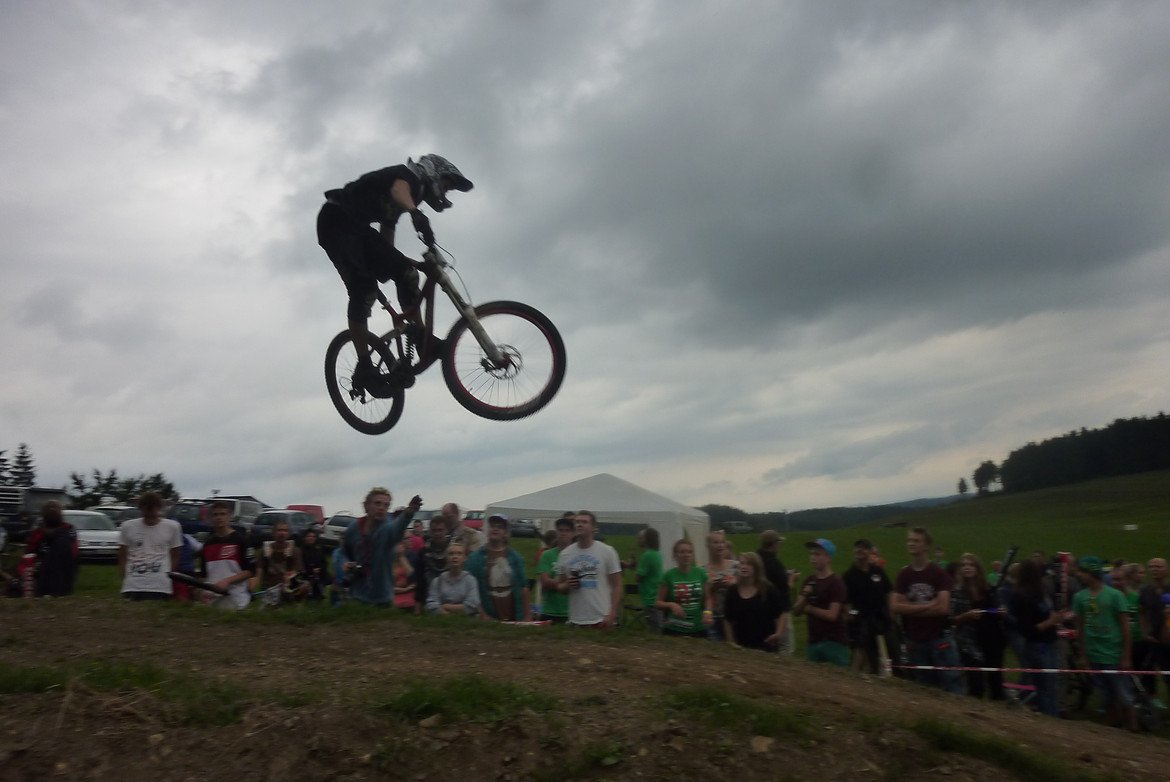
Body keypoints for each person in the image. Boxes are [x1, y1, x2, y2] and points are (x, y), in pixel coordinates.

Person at [317, 154, 473, 391]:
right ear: (434, 173)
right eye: (447, 185)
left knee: (407, 274)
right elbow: (399, 189)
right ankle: (364, 367)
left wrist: (410, 264)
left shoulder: (398, 206)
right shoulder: (408, 179)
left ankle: (420, 336)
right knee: (364, 291)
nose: (446, 191)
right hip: (336, 221)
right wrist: (415, 213)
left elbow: (386, 248)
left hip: (357, 229)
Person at [890, 527, 964, 694]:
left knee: (952, 686)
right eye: (909, 540)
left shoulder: (939, 574)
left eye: (916, 541)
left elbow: (943, 608)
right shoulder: (904, 575)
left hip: (939, 638)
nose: (911, 544)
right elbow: (894, 606)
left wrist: (909, 607)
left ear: (926, 546)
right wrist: (926, 605)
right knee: (925, 689)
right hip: (915, 639)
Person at [1073, 555, 1137, 731]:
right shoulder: (1079, 597)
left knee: (1124, 694)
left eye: (1083, 572)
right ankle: (1113, 727)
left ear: (1092, 573)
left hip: (1114, 653)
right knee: (1105, 694)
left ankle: (1133, 728)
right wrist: (1083, 655)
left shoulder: (1115, 595)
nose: (1079, 575)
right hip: (1094, 653)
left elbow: (1125, 627)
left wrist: (1126, 656)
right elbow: (1080, 628)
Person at [336, 487, 422, 607]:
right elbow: (343, 552)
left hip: (382, 599)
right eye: (377, 503)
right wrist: (345, 563)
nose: (381, 508)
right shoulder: (354, 528)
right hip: (356, 595)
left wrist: (408, 513)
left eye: (386, 505)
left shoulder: (386, 528)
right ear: (366, 506)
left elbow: (396, 530)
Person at [1008, 558, 1066, 716]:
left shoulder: (1041, 592)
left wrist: (1056, 618)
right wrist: (1050, 622)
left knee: (1052, 685)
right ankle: (1049, 717)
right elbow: (1027, 629)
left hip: (1050, 642)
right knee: (1045, 686)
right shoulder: (1021, 596)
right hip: (1038, 646)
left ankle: (1052, 715)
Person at [950, 553, 1007, 701]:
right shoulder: (957, 592)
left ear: (977, 568)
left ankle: (998, 706)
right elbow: (951, 620)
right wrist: (967, 616)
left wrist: (1000, 611)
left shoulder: (988, 589)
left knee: (996, 679)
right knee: (976, 683)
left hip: (992, 638)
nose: (967, 567)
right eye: (964, 565)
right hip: (970, 642)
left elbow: (992, 609)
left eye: (971, 565)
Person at [556, 510, 623, 629]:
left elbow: (617, 585)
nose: (580, 525)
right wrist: (567, 585)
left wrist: (612, 613)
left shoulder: (607, 551)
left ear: (594, 528)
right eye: (577, 522)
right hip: (576, 620)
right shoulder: (565, 554)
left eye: (584, 522)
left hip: (601, 618)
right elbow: (560, 586)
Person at [792, 538, 849, 666]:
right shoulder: (809, 580)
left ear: (828, 558)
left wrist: (810, 609)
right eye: (811, 554)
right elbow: (796, 611)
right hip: (813, 641)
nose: (813, 557)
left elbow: (832, 615)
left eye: (817, 554)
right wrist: (805, 595)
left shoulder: (836, 583)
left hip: (834, 643)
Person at [118, 492, 183, 601]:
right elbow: (122, 554)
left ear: (159, 509)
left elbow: (175, 554)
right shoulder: (127, 526)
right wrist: (125, 576)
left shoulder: (172, 526)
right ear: (140, 510)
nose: (150, 518)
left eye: (153, 515)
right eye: (146, 515)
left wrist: (168, 574)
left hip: (160, 586)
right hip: (133, 585)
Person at [466, 514, 529, 621]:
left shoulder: (515, 557)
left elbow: (524, 587)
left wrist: (527, 616)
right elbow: (470, 589)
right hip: (486, 619)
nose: (495, 529)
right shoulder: (475, 558)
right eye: (492, 526)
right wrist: (481, 614)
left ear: (506, 533)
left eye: (500, 527)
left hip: (513, 618)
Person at [843, 539, 892, 675]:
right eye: (857, 547)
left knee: (883, 654)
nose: (860, 550)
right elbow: (847, 603)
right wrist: (853, 614)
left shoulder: (878, 571)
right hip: (860, 620)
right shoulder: (848, 575)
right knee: (859, 652)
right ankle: (855, 678)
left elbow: (889, 591)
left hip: (880, 619)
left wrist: (891, 611)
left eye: (864, 548)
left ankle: (884, 678)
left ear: (870, 552)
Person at [723, 552, 785, 651]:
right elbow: (727, 619)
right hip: (741, 646)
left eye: (749, 564)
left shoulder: (768, 589)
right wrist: (731, 641)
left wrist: (778, 633)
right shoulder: (732, 591)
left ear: (756, 568)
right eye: (742, 563)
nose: (744, 567)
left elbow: (781, 613)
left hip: (766, 645)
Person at [197, 500, 253, 609]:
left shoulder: (241, 540)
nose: (219, 518)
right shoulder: (207, 544)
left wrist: (227, 581)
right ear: (211, 518)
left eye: (223, 514)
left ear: (230, 516)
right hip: (212, 602)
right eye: (215, 515)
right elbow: (204, 575)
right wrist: (200, 590)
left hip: (236, 600)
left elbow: (250, 571)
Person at [20, 501, 78, 597]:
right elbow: (74, 559)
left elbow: (28, 557)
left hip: (46, 586)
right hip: (62, 586)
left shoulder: (38, 534)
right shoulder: (69, 533)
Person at [655, 539, 709, 637]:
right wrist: (671, 605)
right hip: (674, 628)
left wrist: (708, 612)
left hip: (698, 628)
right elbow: (658, 603)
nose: (686, 555)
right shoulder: (668, 576)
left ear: (693, 555)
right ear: (675, 555)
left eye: (689, 552)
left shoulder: (701, 573)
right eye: (682, 552)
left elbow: (708, 598)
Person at [1138, 557, 1170, 705]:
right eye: (1152, 567)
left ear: (1166, 569)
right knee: (1148, 672)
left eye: (1159, 566)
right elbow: (1142, 612)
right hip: (1153, 640)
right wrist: (1145, 632)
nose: (1155, 569)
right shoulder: (1145, 590)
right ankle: (1152, 702)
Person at [253, 520, 308, 605]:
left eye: (285, 530)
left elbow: (298, 570)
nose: (282, 533)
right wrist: (254, 583)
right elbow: (259, 570)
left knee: (305, 585)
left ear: (289, 534)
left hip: (288, 588)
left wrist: (290, 577)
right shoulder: (264, 550)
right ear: (273, 533)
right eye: (279, 530)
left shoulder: (295, 550)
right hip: (269, 588)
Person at [756, 530, 793, 655]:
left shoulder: (756, 559)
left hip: (759, 608)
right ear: (774, 544)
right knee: (785, 646)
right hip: (779, 610)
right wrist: (791, 578)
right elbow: (785, 588)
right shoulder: (775, 564)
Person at [425, 542, 482, 617]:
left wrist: (446, 606)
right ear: (446, 558)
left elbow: (472, 605)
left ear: (465, 558)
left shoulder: (471, 580)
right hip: (442, 621)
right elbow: (432, 605)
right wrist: (447, 616)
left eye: (459, 554)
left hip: (467, 621)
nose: (455, 557)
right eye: (451, 554)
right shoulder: (437, 581)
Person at [537, 515, 575, 624]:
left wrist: (555, 582)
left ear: (573, 533)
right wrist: (566, 583)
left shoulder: (577, 554)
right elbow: (544, 581)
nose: (563, 533)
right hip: (550, 611)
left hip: (571, 611)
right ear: (556, 532)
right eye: (560, 530)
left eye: (567, 530)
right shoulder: (547, 555)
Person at [704, 532, 738, 641]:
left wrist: (731, 586)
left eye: (722, 542)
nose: (720, 545)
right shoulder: (702, 571)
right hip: (714, 618)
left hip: (735, 617)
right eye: (716, 542)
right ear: (708, 545)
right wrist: (713, 588)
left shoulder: (736, 566)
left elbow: (748, 588)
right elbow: (704, 597)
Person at [414, 512, 450, 612]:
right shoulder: (423, 552)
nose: (437, 533)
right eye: (434, 530)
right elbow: (420, 580)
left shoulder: (454, 551)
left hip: (452, 599)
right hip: (429, 598)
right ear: (430, 531)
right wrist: (417, 609)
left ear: (446, 530)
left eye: (440, 530)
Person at [633, 527, 664, 630]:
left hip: (650, 597)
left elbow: (638, 577)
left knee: (654, 628)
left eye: (640, 538)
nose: (638, 540)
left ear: (647, 539)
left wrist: (636, 570)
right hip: (656, 594)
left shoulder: (647, 555)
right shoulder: (657, 554)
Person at [298, 527, 332, 601]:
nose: (311, 538)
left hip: (319, 575)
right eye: (309, 536)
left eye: (313, 536)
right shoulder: (301, 551)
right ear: (304, 538)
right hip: (306, 576)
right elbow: (301, 566)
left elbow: (324, 562)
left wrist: (320, 569)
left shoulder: (318, 550)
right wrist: (311, 571)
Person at [392, 537, 416, 612]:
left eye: (401, 544)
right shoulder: (388, 563)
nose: (400, 547)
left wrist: (402, 557)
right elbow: (389, 587)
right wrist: (405, 589)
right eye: (398, 544)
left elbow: (411, 574)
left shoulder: (407, 558)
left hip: (408, 592)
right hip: (396, 593)